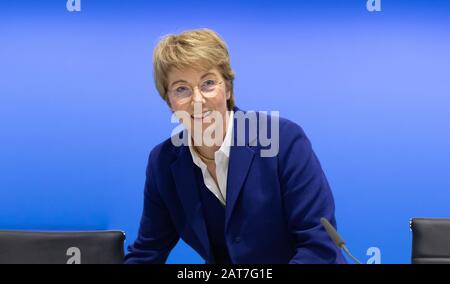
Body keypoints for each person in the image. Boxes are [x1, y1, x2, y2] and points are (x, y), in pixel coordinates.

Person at [124, 28, 346, 264]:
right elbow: (147, 252)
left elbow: (319, 246)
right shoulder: (164, 162)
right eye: (181, 89)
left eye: (208, 83)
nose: (197, 100)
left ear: (227, 88)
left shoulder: (283, 140)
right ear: (169, 100)